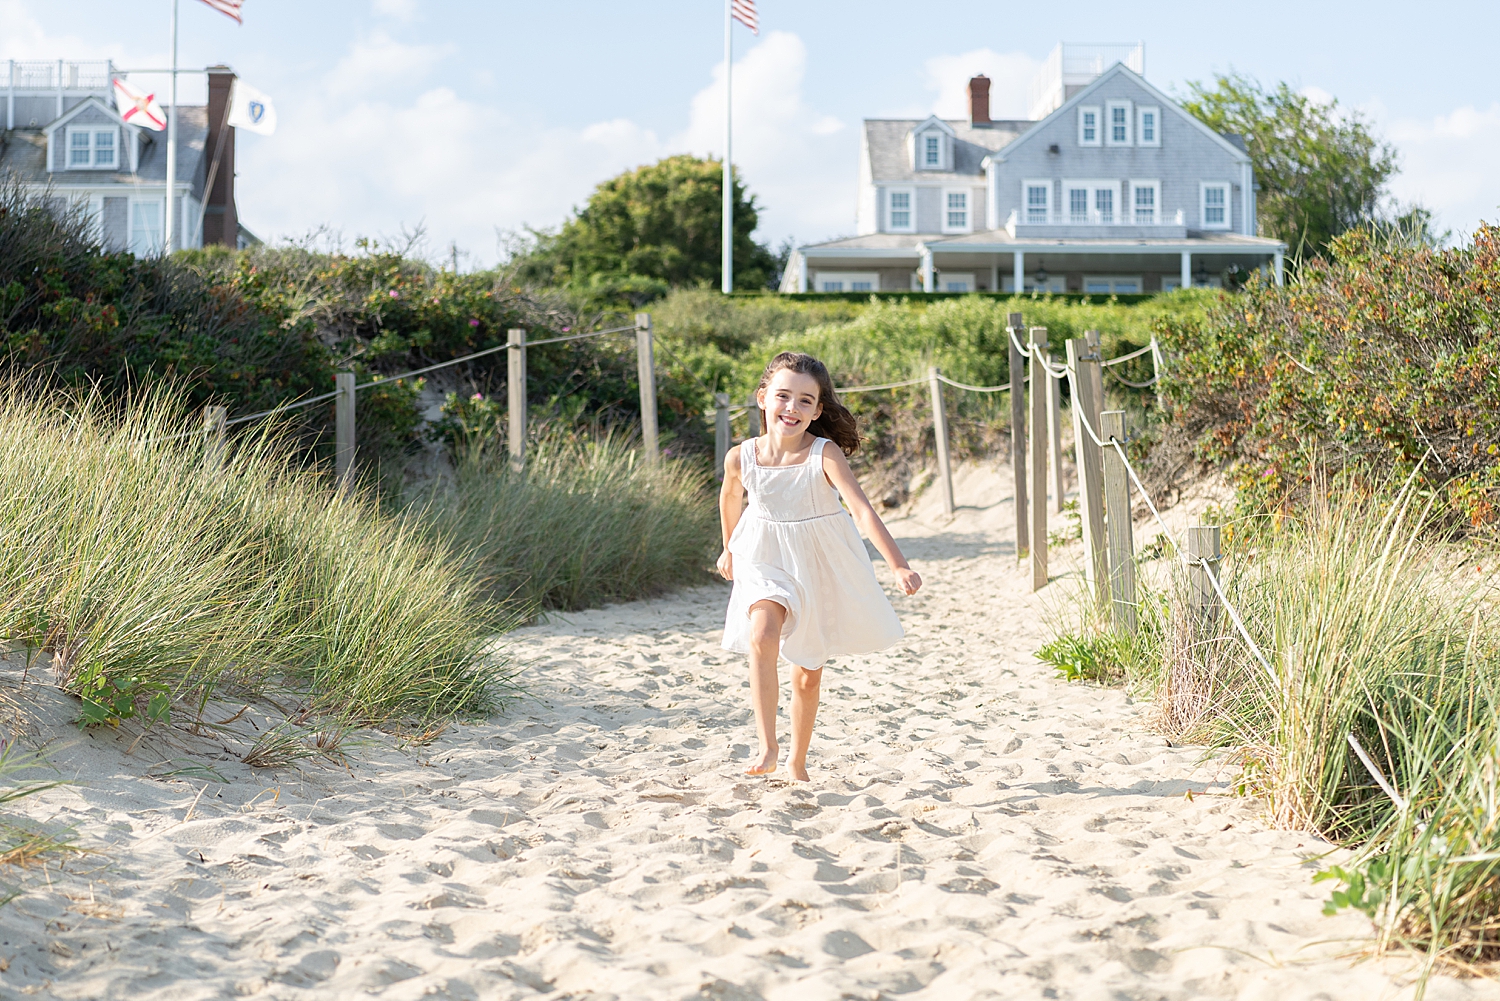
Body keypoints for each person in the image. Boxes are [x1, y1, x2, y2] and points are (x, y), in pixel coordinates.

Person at [717, 351, 922, 782]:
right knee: (762, 634)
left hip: (817, 561)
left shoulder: (824, 454)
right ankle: (767, 743)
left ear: (817, 410)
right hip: (763, 552)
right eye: (783, 396)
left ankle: (797, 759)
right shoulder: (741, 457)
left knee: (807, 676)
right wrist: (729, 548)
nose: (792, 408)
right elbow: (731, 498)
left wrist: (898, 565)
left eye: (805, 401)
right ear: (763, 398)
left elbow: (863, 512)